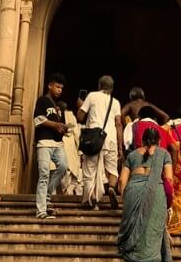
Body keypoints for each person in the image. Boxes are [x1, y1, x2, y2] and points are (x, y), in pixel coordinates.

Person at [116, 126, 174, 262]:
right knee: (153, 240)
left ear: (142, 139)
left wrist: (127, 200)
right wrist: (168, 204)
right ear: (158, 140)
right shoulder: (164, 154)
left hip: (133, 191)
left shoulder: (132, 156)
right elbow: (169, 180)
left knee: (133, 237)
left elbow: (121, 182)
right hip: (155, 193)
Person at [78, 75, 123, 210]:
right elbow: (119, 124)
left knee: (90, 169)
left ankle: (92, 200)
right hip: (110, 139)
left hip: (94, 138)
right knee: (112, 169)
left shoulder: (92, 96)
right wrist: (120, 147)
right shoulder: (115, 102)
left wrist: (80, 105)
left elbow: (80, 116)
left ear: (99, 86)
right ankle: (111, 187)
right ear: (111, 89)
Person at [32, 73, 69, 220]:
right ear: (50, 85)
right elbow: (37, 119)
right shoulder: (42, 101)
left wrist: (63, 128)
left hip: (57, 143)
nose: (60, 90)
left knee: (63, 167)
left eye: (61, 88)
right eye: (57, 87)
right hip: (44, 142)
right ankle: (41, 210)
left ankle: (46, 197)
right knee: (44, 174)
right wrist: (54, 125)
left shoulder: (58, 106)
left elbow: (59, 125)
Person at [58, 100, 83, 196]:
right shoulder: (70, 115)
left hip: (63, 145)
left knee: (66, 172)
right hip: (69, 145)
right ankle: (67, 192)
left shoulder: (57, 116)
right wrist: (80, 151)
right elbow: (77, 133)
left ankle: (66, 192)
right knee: (70, 171)